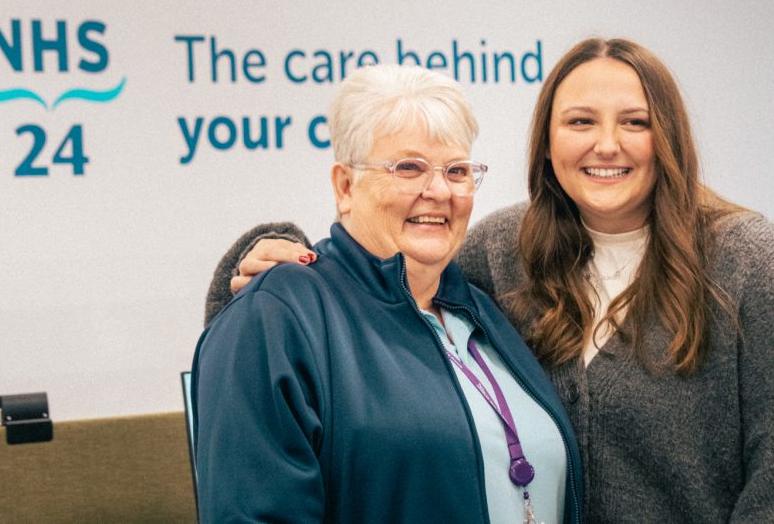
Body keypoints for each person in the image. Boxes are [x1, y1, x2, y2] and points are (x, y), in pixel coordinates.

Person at [206, 38, 774, 522]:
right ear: (546, 144)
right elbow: (371, 301)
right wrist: (255, 265)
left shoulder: (745, 261)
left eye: (635, 122)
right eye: (580, 121)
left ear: (670, 138)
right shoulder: (505, 250)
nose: (607, 144)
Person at [191, 64, 584, 523]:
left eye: (456, 170)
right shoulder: (279, 316)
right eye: (409, 168)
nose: (438, 190)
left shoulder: (482, 311)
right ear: (345, 186)